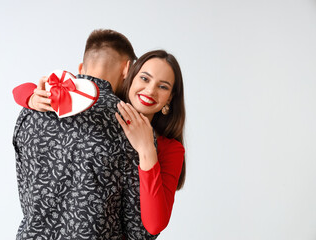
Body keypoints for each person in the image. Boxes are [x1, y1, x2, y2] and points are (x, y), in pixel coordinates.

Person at [13, 50, 186, 235]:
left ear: (170, 97)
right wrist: (31, 97)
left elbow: (154, 225)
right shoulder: (99, 113)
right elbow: (33, 87)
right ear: (129, 77)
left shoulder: (170, 149)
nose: (150, 90)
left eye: (163, 86)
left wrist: (146, 150)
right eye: (145, 78)